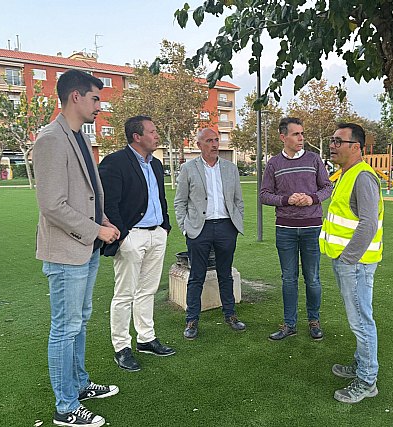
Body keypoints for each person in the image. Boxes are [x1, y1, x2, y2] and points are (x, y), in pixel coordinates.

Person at [33, 69, 120, 427]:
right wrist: (95, 230)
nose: (100, 105)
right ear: (76, 97)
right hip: (67, 252)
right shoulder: (51, 139)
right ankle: (66, 407)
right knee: (65, 328)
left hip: (86, 248)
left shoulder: (80, 138)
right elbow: (52, 205)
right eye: (96, 98)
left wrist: (106, 221)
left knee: (79, 322)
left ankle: (80, 384)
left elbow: (88, 193)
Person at [99, 115, 174, 373]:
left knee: (147, 290)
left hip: (156, 234)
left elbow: (159, 197)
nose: (157, 135)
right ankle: (122, 347)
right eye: (152, 132)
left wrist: (165, 226)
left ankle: (146, 339)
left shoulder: (156, 164)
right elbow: (108, 203)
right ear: (137, 137)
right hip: (132, 236)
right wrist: (123, 235)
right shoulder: (115, 162)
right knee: (124, 294)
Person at [319, 123, 384, 404]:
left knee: (361, 321)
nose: (332, 145)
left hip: (355, 263)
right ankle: (361, 366)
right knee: (359, 317)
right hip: (348, 261)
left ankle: (368, 380)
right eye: (332, 140)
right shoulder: (345, 174)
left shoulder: (362, 177)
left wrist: (348, 258)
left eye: (338, 141)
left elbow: (368, 224)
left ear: (355, 147)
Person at [260, 117, 332, 341]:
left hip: (312, 227)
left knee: (312, 278)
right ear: (283, 137)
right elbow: (264, 195)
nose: (301, 138)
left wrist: (311, 199)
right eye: (296, 134)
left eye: (302, 133)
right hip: (285, 229)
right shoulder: (273, 164)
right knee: (288, 279)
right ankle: (289, 324)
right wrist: (286, 199)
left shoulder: (314, 159)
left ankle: (314, 321)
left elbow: (327, 187)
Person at [174, 127, 245, 339]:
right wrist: (185, 226)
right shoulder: (188, 168)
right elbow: (180, 201)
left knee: (226, 273)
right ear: (199, 145)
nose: (215, 144)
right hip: (199, 228)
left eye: (216, 140)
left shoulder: (230, 168)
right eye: (209, 141)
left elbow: (238, 200)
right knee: (197, 275)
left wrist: (235, 223)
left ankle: (230, 314)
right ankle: (192, 320)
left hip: (226, 227)